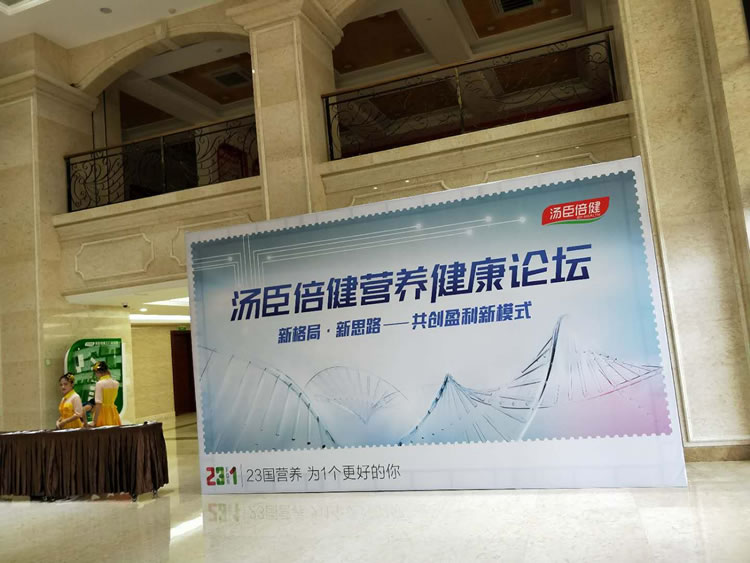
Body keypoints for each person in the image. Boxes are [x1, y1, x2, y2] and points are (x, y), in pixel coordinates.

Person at [92, 361, 121, 427]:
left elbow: (98, 404)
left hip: (102, 414)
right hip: (113, 413)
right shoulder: (116, 383)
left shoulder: (99, 384)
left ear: (98, 372)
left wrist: (94, 421)